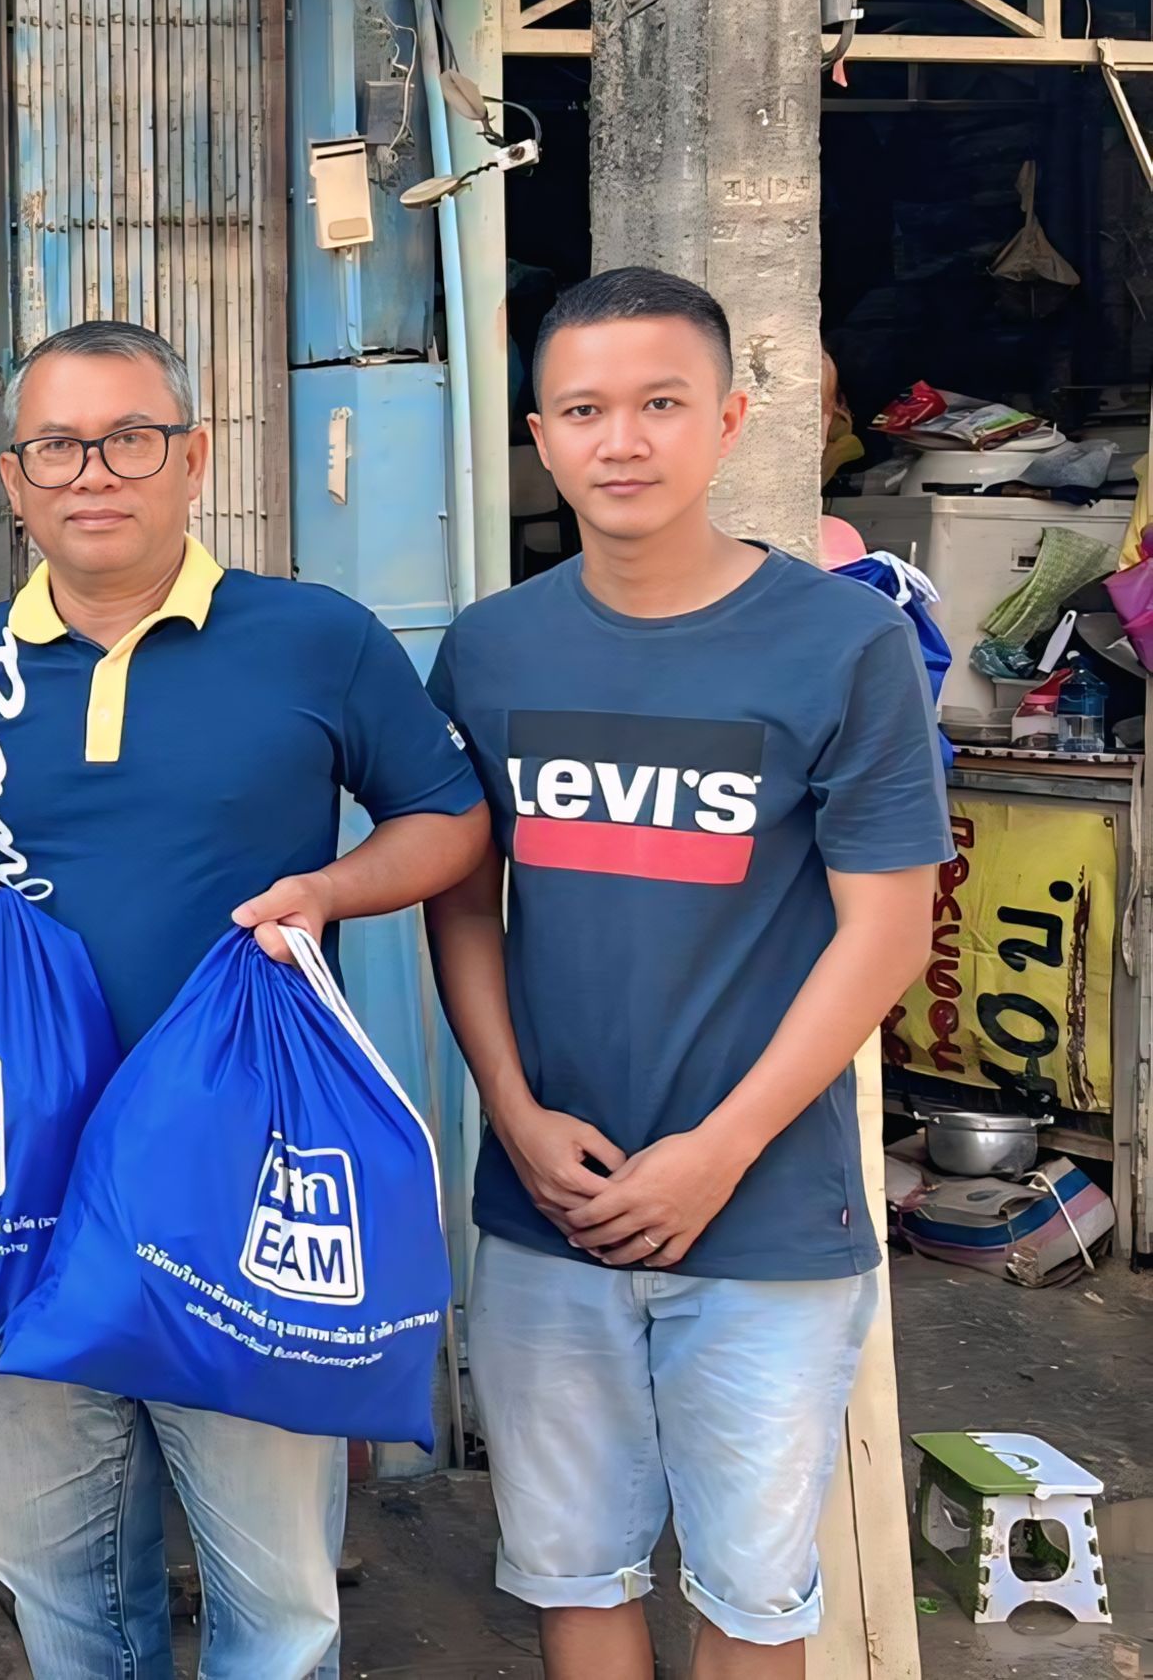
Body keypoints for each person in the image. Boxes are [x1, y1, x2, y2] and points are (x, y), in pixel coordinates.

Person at [0, 318, 490, 1680]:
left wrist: (328, 889)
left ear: (194, 456)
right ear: (13, 477)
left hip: (248, 1170)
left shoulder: (316, 638)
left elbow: (450, 819)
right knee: (54, 1568)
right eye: (57, 446)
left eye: (130, 438)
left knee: (276, 1598)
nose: (93, 472)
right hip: (31, 1179)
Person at [423, 268, 945, 1680]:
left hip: (766, 1218)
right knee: (573, 1573)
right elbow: (461, 903)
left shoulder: (842, 643)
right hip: (552, 1208)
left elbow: (887, 932)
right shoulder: (493, 648)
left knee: (753, 1600)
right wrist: (515, 1116)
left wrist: (718, 1151)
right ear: (541, 436)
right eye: (585, 409)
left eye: (661, 403)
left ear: (729, 420)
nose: (624, 441)